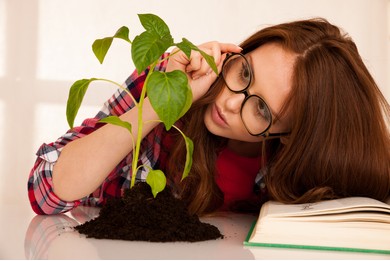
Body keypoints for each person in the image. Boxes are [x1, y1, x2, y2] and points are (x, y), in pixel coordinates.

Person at [28, 18, 390, 216]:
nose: (231, 103)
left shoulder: (297, 165)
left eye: (262, 109)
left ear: (291, 135)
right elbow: (46, 193)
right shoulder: (171, 79)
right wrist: (160, 104)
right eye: (244, 73)